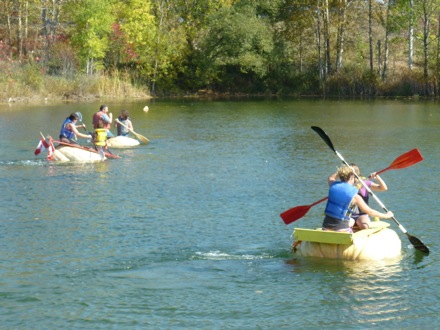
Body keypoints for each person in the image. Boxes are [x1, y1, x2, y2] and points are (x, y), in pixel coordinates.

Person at [322, 165, 393, 233]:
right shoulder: (355, 197)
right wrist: (386, 216)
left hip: (325, 227)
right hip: (341, 229)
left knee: (363, 225)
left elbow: (331, 177)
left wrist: (342, 171)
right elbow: (370, 212)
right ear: (352, 177)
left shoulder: (333, 185)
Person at [349, 163, 388, 229]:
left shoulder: (365, 182)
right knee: (347, 226)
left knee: (364, 225)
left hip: (362, 214)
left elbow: (383, 188)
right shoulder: (346, 184)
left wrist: (378, 178)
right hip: (349, 214)